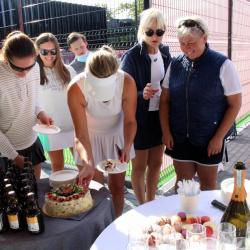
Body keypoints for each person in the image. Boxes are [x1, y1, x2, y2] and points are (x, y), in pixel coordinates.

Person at [159, 16, 242, 192]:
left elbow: (235, 104)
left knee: (208, 184)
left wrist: (218, 138)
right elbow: (165, 100)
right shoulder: (175, 65)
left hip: (209, 138)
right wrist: (166, 132)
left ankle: (207, 220)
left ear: (204, 38)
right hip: (179, 137)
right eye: (182, 43)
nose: (186, 48)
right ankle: (181, 219)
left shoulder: (222, 64)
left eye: (191, 42)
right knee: (182, 183)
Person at [67, 45, 137, 218]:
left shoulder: (126, 81)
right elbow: (81, 134)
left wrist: (127, 146)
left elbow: (129, 121)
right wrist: (88, 163)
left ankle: (116, 223)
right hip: (89, 138)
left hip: (117, 136)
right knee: (95, 190)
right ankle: (98, 228)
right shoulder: (76, 87)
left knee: (117, 188)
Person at [120, 8, 172, 205]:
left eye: (159, 32)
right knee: (140, 166)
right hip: (139, 118)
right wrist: (143, 94)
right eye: (149, 31)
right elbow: (124, 89)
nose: (154, 36)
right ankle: (142, 205)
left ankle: (151, 201)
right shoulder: (132, 56)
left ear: (164, 31)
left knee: (156, 163)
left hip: (160, 117)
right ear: (142, 31)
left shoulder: (166, 54)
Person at [0, 31, 53, 179]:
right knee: (14, 198)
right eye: (18, 69)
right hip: (7, 148)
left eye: (29, 67)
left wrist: (40, 112)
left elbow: (31, 98)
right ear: (5, 58)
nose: (25, 73)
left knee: (35, 191)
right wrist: (14, 156)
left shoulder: (35, 68)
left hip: (31, 139)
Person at [35, 33, 80, 173]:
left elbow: (79, 97)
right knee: (58, 167)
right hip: (51, 129)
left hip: (74, 127)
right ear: (38, 51)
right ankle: (59, 195)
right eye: (44, 51)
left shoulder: (69, 70)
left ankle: (86, 195)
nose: (49, 55)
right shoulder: (33, 73)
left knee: (82, 165)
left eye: (53, 51)